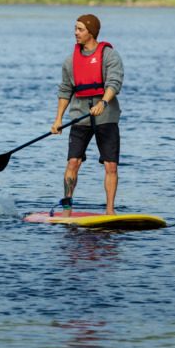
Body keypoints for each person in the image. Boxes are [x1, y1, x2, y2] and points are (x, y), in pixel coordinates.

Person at [51, 14, 124, 214]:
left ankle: (110, 211)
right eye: (75, 28)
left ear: (91, 31)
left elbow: (114, 82)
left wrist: (103, 102)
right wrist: (58, 119)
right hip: (79, 115)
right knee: (73, 162)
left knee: (110, 165)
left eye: (80, 29)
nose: (76, 33)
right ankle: (67, 209)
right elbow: (65, 90)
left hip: (106, 117)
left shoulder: (109, 55)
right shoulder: (70, 61)